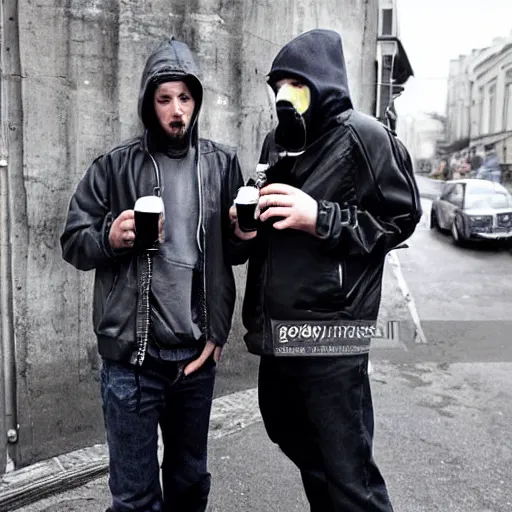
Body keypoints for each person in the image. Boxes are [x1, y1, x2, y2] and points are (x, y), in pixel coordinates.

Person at [230, 29, 421, 511]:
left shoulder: (365, 135)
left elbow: (401, 217)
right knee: (285, 428)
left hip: (333, 331)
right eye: (278, 85)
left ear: (322, 83)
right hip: (280, 330)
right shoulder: (276, 142)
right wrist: (244, 226)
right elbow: (268, 215)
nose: (283, 94)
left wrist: (321, 217)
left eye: (295, 83)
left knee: (348, 472)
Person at [61, 37, 247, 512]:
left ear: (196, 101)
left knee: (190, 486)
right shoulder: (114, 165)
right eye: (164, 99)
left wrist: (218, 330)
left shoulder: (222, 165)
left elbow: (237, 255)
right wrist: (110, 236)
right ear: (149, 103)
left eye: (185, 97)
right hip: (132, 364)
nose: (176, 110)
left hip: (194, 359)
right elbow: (73, 242)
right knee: (134, 499)